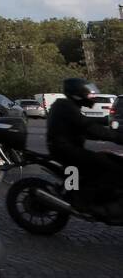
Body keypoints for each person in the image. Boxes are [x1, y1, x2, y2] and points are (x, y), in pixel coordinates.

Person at [47, 78, 123, 209]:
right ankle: (88, 201)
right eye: (88, 93)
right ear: (77, 94)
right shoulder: (66, 107)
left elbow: (85, 123)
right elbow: (88, 127)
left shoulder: (67, 105)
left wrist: (107, 123)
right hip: (66, 150)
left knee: (108, 158)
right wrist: (116, 137)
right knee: (109, 165)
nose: (92, 96)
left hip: (67, 148)